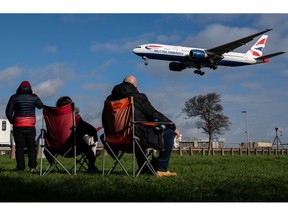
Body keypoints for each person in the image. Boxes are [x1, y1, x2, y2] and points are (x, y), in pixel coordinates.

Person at [101, 75, 181, 177]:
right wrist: (172, 125)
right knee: (168, 133)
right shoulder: (138, 97)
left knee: (137, 133)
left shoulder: (109, 100)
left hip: (113, 140)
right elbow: (153, 113)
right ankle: (161, 169)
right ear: (135, 86)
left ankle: (144, 168)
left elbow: (105, 120)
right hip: (133, 138)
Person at [44, 96, 99, 173]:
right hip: (73, 148)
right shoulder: (75, 117)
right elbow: (92, 130)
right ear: (70, 106)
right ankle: (91, 165)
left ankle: (52, 165)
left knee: (44, 136)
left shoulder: (51, 117)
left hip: (54, 149)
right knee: (79, 137)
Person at [5, 81, 44, 172]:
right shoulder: (33, 97)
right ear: (30, 88)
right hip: (30, 126)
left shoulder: (14, 97)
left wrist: (13, 121)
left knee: (19, 147)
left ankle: (20, 168)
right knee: (31, 147)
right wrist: (35, 95)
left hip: (18, 126)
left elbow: (8, 112)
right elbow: (40, 106)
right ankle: (33, 167)